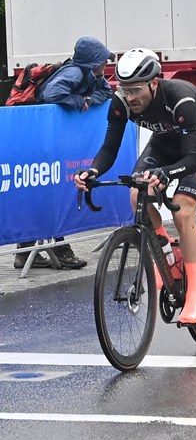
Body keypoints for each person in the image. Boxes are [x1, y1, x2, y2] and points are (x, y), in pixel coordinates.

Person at [74, 49, 196, 324]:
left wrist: (166, 173)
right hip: (162, 143)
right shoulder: (121, 102)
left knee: (183, 212)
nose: (130, 97)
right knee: (136, 193)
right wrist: (92, 171)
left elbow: (191, 159)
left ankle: (195, 297)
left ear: (154, 83)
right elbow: (109, 147)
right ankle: (166, 254)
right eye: (124, 89)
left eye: (136, 90)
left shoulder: (180, 98)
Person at [13, 36, 115, 269]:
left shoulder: (92, 75)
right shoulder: (74, 74)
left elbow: (106, 93)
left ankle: (26, 252)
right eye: (102, 60)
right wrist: (79, 100)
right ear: (92, 62)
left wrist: (89, 98)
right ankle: (59, 249)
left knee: (47, 192)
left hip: (52, 141)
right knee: (52, 192)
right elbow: (52, 95)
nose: (105, 65)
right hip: (43, 141)